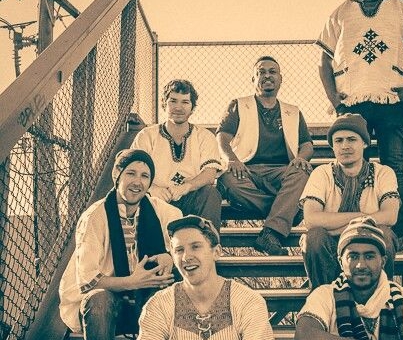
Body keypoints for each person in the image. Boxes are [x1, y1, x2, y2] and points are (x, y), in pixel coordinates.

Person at [316, 0, 403, 253]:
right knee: (353, 165)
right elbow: (324, 60)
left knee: (395, 165)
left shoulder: (399, 8)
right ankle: (351, 231)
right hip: (353, 103)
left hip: (391, 100)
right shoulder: (341, 12)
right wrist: (335, 101)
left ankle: (399, 234)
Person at [59, 149, 183, 339]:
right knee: (99, 300)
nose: (137, 182)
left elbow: (185, 247)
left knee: (167, 294)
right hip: (107, 304)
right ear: (117, 175)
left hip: (145, 297)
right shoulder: (94, 217)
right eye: (131, 173)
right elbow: (88, 281)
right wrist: (132, 282)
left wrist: (169, 257)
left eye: (144, 176)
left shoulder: (165, 212)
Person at [216, 55, 314, 255]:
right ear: (253, 79)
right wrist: (232, 159)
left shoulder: (293, 111)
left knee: (302, 173)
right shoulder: (239, 104)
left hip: (281, 172)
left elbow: (307, 145)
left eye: (272, 72)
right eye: (261, 72)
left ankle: (270, 234)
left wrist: (301, 158)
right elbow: (222, 137)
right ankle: (288, 210)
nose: (267, 76)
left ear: (280, 79)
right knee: (227, 180)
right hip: (246, 171)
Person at [295, 216, 403, 340]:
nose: (361, 265)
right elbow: (304, 334)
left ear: (383, 261)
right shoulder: (324, 296)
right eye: (353, 256)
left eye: (369, 256)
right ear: (340, 262)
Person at [300, 114, 399, 288]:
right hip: (330, 245)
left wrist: (338, 227)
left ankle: (380, 297)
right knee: (314, 237)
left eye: (352, 139)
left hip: (368, 241)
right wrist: (361, 217)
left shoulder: (383, 173)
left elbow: (390, 216)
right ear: (333, 146)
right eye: (338, 141)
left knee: (385, 234)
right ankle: (323, 296)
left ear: (365, 143)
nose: (345, 146)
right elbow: (311, 219)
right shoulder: (321, 173)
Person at [138, 215, 274, 339]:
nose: (186, 257)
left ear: (216, 252)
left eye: (195, 247)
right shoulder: (159, 305)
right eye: (179, 250)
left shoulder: (247, 302)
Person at [131, 79, 223, 230]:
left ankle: (208, 240)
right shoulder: (147, 135)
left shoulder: (204, 136)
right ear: (164, 104)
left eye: (185, 102)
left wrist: (186, 187)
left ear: (192, 108)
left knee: (210, 193)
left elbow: (209, 174)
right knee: (142, 198)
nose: (178, 107)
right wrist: (152, 189)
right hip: (157, 197)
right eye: (173, 101)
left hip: (190, 197)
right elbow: (133, 170)